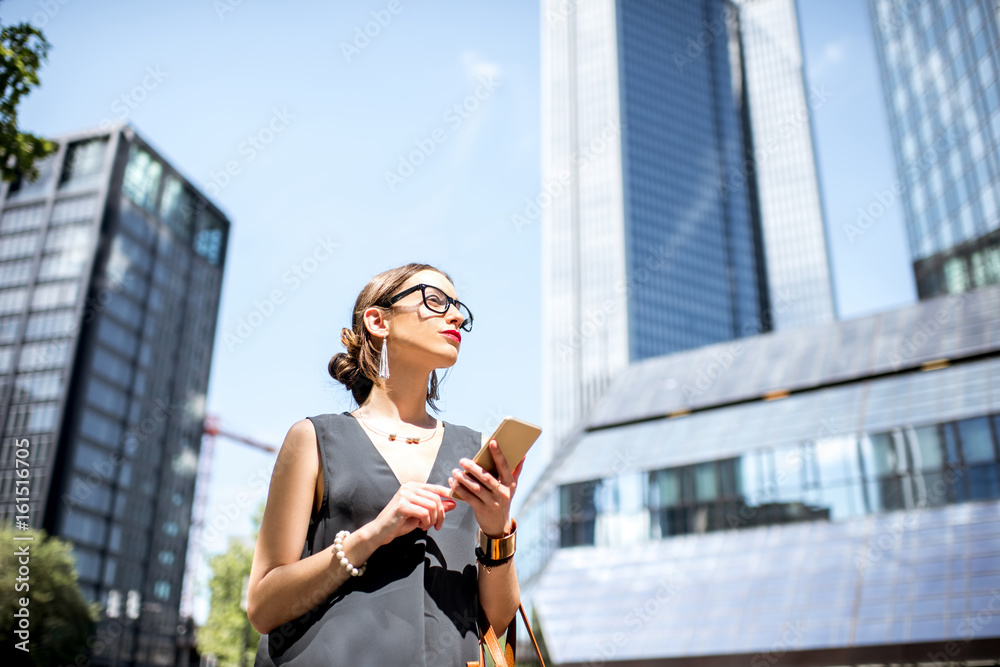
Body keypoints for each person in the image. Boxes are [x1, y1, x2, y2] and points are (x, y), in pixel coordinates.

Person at [248, 262, 523, 666]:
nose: (457, 316)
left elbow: (495, 624)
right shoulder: (313, 440)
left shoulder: (477, 450)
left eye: (460, 307)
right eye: (435, 300)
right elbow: (263, 608)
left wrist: (497, 529)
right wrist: (373, 534)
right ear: (378, 321)